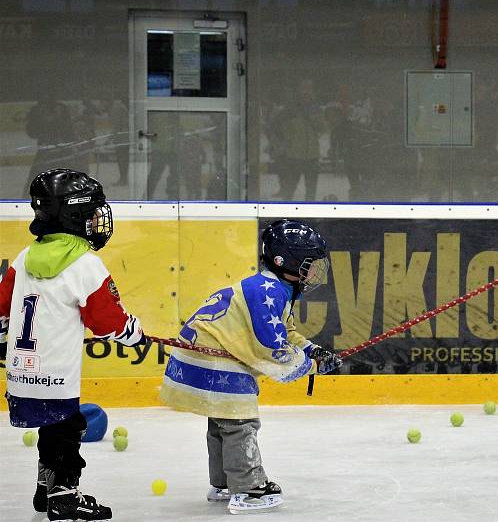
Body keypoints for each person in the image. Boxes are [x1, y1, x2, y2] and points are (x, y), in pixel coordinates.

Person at [159, 219, 342, 514]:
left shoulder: (274, 287)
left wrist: (314, 351)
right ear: (287, 261)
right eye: (308, 263)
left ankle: (224, 482)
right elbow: (272, 349)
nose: (313, 271)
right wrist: (311, 367)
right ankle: (248, 488)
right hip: (214, 359)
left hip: (199, 358)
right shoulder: (268, 291)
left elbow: (287, 332)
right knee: (238, 421)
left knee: (222, 421)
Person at [0, 168, 145, 519]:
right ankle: (65, 495)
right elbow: (107, 322)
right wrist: (133, 332)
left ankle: (45, 487)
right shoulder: (85, 265)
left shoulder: (23, 257)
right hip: (56, 374)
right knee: (68, 429)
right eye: (93, 212)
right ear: (75, 215)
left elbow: (3, 306)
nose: (98, 219)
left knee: (54, 426)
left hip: (20, 373)